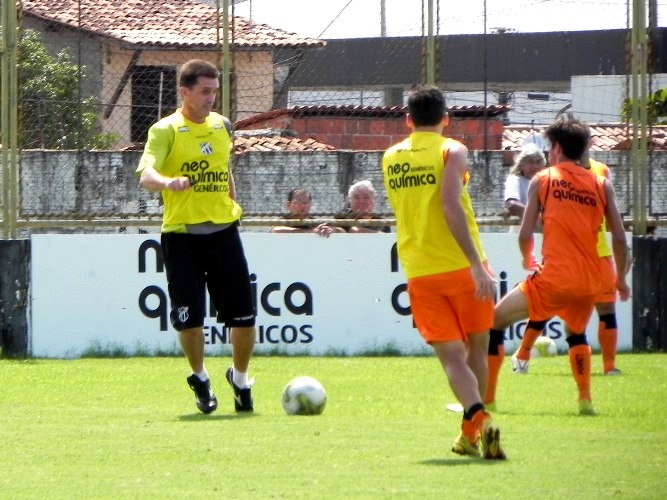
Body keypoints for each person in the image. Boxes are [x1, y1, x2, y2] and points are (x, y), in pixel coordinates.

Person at [382, 85, 505, 460]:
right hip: (464, 267)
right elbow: (450, 204)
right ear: (446, 119)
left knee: (452, 358)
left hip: (420, 269)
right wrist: (474, 263)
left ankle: (472, 431)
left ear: (407, 120)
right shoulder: (453, 149)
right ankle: (478, 423)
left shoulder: (390, 156)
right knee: (477, 350)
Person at [136, 59, 256, 414]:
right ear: (184, 92)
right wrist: (167, 182)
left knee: (244, 318)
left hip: (224, 232)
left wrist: (232, 203)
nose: (211, 97)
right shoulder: (166, 130)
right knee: (189, 319)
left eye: (215, 91)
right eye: (204, 91)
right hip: (182, 237)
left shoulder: (223, 126)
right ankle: (200, 377)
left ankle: (240, 377)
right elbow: (145, 173)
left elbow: (224, 168)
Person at [490, 114, 630, 416]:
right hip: (591, 280)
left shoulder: (543, 179)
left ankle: (486, 400)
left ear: (555, 149)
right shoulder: (602, 182)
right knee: (575, 332)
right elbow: (619, 238)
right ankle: (584, 401)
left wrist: (527, 258)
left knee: (494, 322)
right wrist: (620, 279)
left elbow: (526, 233)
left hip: (555, 276)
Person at [509, 153, 629, 376]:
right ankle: (523, 354)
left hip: (599, 254)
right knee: (544, 308)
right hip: (563, 254)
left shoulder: (601, 172)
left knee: (606, 309)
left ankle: (609, 366)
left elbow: (611, 218)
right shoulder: (555, 173)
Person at [503, 145, 547, 232]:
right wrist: (537, 218)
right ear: (522, 165)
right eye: (530, 162)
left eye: (538, 162)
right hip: (520, 237)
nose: (535, 166)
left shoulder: (547, 183)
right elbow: (512, 204)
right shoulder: (515, 180)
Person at [270, 188, 345, 237]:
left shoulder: (315, 223)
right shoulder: (282, 221)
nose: (302, 206)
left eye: (305, 203)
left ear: (310, 205)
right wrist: (309, 232)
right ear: (288, 205)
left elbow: (342, 232)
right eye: (297, 202)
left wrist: (332, 230)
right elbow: (276, 230)